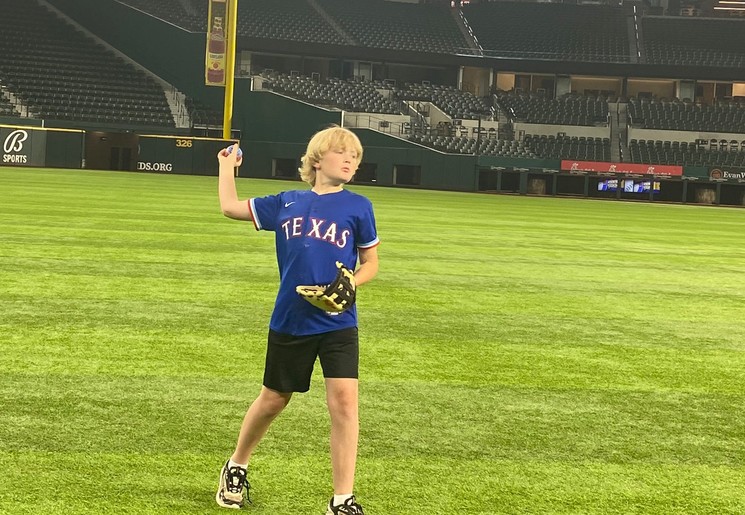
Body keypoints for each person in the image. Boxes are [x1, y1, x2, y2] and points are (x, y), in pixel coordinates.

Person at [215, 126, 380, 515]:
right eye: (343, 153)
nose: (350, 161)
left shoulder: (358, 206)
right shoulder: (285, 202)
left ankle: (342, 500)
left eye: (355, 157)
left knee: (344, 404)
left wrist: (352, 282)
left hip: (338, 320)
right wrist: (226, 167)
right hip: (291, 318)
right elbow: (230, 207)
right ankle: (236, 464)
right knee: (274, 399)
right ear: (317, 159)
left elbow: (371, 263)